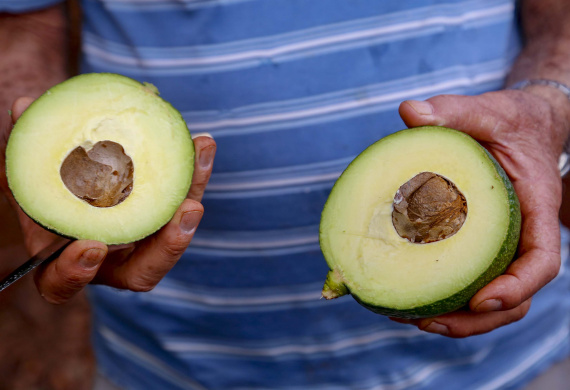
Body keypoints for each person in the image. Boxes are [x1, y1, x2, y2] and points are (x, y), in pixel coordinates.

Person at [1, 0, 570, 388]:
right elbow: (22, 22)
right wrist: (29, 149)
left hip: (507, 366)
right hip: (173, 362)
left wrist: (551, 102)